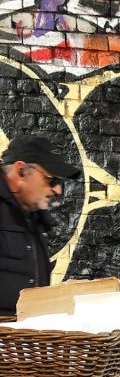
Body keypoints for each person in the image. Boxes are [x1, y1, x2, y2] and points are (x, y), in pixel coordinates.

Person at [0, 135, 81, 315]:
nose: (57, 189)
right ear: (20, 171)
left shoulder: (33, 217)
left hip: (22, 339)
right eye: (51, 179)